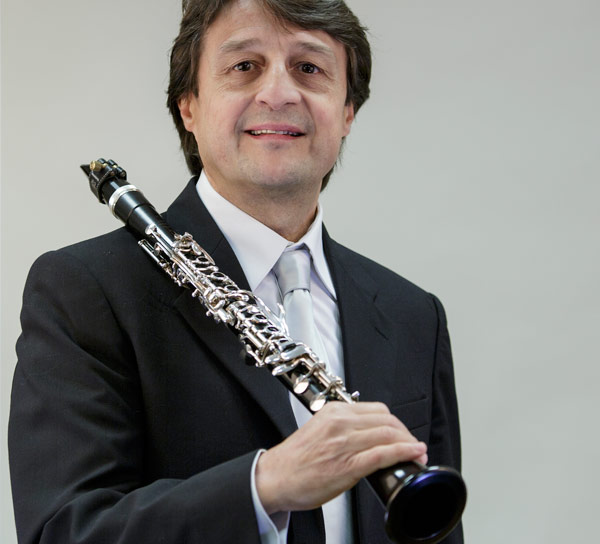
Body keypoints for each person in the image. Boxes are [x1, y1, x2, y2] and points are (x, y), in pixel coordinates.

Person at [9, 0, 463, 543]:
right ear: (189, 106)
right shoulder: (86, 291)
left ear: (347, 112)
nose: (279, 93)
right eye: (244, 66)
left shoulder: (413, 315)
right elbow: (63, 532)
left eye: (309, 68)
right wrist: (264, 486)